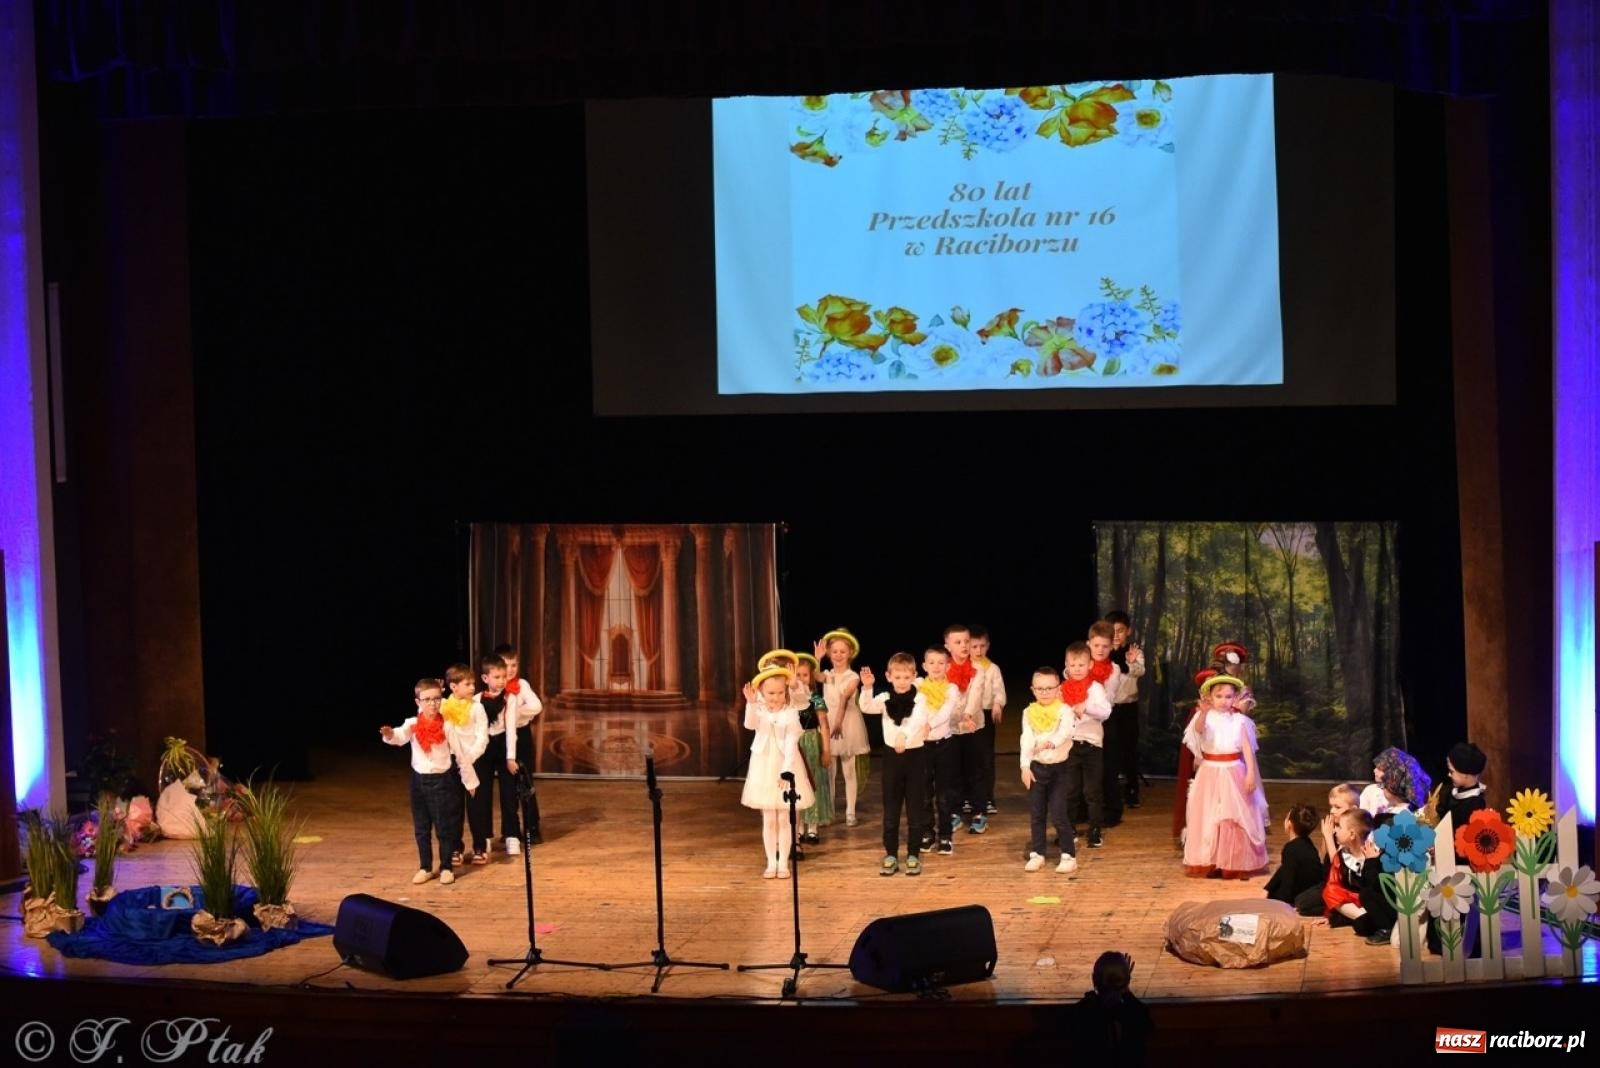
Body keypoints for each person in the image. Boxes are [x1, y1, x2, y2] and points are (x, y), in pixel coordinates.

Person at [380, 677, 480, 886]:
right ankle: (425, 866)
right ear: (418, 702)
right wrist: (390, 735)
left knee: (444, 827)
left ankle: (446, 867)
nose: (432, 704)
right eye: (427, 700)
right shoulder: (413, 723)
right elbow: (400, 735)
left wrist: (470, 782)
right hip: (418, 781)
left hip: (442, 781)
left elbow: (460, 755)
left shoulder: (447, 725)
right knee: (421, 827)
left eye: (436, 699)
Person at [1180, 673, 1268, 878]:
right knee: (1209, 815)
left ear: (1235, 698)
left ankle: (1232, 860)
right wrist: (1202, 713)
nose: (1224, 701)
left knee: (1232, 817)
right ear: (1210, 697)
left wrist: (1250, 776)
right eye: (1219, 696)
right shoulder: (1204, 717)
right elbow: (1199, 731)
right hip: (1210, 772)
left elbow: (1247, 749)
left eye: (1228, 697)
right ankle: (1209, 860)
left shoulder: (1240, 721)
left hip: (1234, 771)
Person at [859, 654, 930, 876]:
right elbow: (866, 707)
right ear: (889, 676)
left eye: (906, 676)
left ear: (914, 676)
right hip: (892, 759)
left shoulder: (920, 699)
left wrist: (903, 736)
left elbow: (918, 721)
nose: (901, 680)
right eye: (897, 676)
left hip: (915, 757)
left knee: (915, 811)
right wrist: (867, 688)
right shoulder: (885, 697)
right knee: (891, 810)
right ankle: (890, 854)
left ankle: (913, 855)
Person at [740, 665, 813, 879]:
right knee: (769, 818)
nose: (776, 697)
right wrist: (751, 703)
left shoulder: (790, 713)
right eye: (771, 693)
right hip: (763, 764)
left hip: (785, 765)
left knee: (785, 818)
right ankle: (771, 862)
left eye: (780, 693)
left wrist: (786, 771)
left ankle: (783, 863)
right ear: (762, 692)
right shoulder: (759, 709)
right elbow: (749, 724)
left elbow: (791, 743)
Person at [1020, 665, 1077, 873]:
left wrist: (1052, 742)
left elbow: (1065, 733)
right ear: (1033, 690)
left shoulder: (1064, 710)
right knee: (1037, 813)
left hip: (1059, 769)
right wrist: (1025, 766)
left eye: (1049, 688)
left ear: (1057, 688)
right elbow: (1026, 739)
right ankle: (1038, 853)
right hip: (1037, 768)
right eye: (1040, 688)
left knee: (1059, 813)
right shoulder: (1028, 712)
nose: (1044, 693)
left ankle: (1068, 855)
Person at [1061, 640, 1113, 850]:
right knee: (1071, 790)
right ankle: (1070, 828)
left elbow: (1106, 712)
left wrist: (1087, 707)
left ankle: (1095, 830)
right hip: (1070, 746)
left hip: (1091, 746)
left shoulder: (1096, 688)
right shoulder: (1062, 689)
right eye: (1072, 665)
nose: (1077, 669)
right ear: (1066, 665)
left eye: (1081, 665)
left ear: (1090, 665)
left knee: (1092, 791)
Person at [494, 642, 544, 848]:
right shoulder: (494, 686)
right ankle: (510, 831)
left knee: (525, 783)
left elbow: (536, 706)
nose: (511, 670)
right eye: (506, 665)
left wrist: (514, 713)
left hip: (521, 736)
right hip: (501, 738)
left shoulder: (522, 685)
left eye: (514, 665)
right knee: (507, 786)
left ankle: (533, 828)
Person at [816, 628, 868, 828]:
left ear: (850, 653)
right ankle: (829, 811)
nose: (838, 655)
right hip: (829, 720)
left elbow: (844, 700)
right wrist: (817, 658)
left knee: (848, 770)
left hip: (847, 722)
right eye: (834, 651)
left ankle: (850, 812)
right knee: (829, 769)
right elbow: (813, 675)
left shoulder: (852, 676)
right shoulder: (827, 674)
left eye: (842, 651)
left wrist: (837, 723)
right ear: (829, 653)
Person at [439, 662, 489, 868]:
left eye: (473, 683)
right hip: (451, 761)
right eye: (467, 684)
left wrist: (469, 758)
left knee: (476, 807)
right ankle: (455, 847)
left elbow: (482, 736)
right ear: (453, 687)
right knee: (453, 807)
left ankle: (479, 846)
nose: (472, 688)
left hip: (473, 761)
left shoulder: (477, 707)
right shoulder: (443, 707)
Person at [1064, 951, 1151, 1066]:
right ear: (1127, 981)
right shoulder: (1137, 1015)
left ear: (1094, 979)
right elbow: (1144, 1022)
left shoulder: (1080, 1013)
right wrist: (1125, 988)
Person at [916, 644, 964, 855]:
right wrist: (922, 724)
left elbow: (946, 711)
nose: (936, 667)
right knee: (924, 793)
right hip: (922, 747)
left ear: (947, 666)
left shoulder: (951, 688)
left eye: (941, 663)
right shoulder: (917, 685)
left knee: (944, 794)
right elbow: (917, 708)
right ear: (924, 665)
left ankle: (946, 835)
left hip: (944, 745)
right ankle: (927, 833)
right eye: (932, 662)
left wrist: (930, 724)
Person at [464, 653, 510, 864]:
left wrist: (511, 755)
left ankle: (511, 835)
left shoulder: (510, 698)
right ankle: (483, 839)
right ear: (485, 679)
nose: (501, 681)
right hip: (482, 747)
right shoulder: (475, 700)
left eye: (504, 676)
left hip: (502, 745)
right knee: (480, 794)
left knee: (508, 792)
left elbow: (512, 728)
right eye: (497, 677)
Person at [942, 624, 987, 836]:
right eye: (958, 642)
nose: (964, 646)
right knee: (951, 772)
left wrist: (968, 716)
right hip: (950, 728)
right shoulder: (943, 669)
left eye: (966, 642)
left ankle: (979, 811)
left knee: (975, 771)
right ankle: (954, 811)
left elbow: (976, 694)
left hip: (973, 726)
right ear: (947, 646)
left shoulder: (978, 669)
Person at [1295, 784, 1360, 916]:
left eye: (1337, 807)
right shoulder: (1334, 826)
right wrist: (1326, 837)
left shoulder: (1350, 832)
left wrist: (1330, 838)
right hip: (1329, 880)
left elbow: (1339, 865)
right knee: (1299, 900)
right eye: (1331, 806)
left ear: (1353, 809)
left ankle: (1340, 911)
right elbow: (1324, 859)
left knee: (1304, 905)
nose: (1332, 811)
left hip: (1343, 885)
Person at [1104, 611, 1145, 815]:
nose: (1117, 635)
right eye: (1112, 631)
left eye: (1121, 630)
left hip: (1128, 706)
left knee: (1130, 748)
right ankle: (1109, 790)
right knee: (1108, 749)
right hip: (1108, 709)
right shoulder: (1103, 652)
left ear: (1128, 631)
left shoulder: (1134, 651)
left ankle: (1131, 789)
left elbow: (1139, 671)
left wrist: (1130, 661)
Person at [793, 653, 833, 847]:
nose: (801, 678)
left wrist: (826, 750)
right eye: (797, 675)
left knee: (814, 782)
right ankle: (798, 828)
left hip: (811, 743)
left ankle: (813, 827)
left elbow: (824, 725)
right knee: (799, 785)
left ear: (811, 677)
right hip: (794, 744)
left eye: (805, 675)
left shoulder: (816, 698)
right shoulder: (789, 699)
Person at [967, 625, 1005, 824]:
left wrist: (998, 704)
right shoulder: (964, 667)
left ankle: (988, 797)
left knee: (985, 758)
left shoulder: (992, 668)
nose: (978, 651)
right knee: (966, 758)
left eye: (982, 646)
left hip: (986, 715)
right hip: (967, 717)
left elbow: (999, 690)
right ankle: (967, 796)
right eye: (974, 646)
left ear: (988, 646)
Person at [1264, 804, 1323, 906]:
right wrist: (1267, 888)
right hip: (1311, 885)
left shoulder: (1291, 849)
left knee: (1273, 896)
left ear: (1289, 824)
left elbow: (1288, 880)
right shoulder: (1307, 842)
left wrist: (1282, 904)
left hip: (1303, 893)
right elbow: (1284, 869)